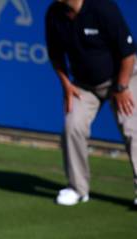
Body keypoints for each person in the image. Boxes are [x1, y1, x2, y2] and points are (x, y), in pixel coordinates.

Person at [45, 0, 137, 206]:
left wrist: (121, 88)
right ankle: (78, 189)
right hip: (84, 86)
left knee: (133, 129)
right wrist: (66, 85)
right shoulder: (53, 14)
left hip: (122, 79)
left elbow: (128, 54)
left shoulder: (103, 8)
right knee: (72, 125)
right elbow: (55, 55)